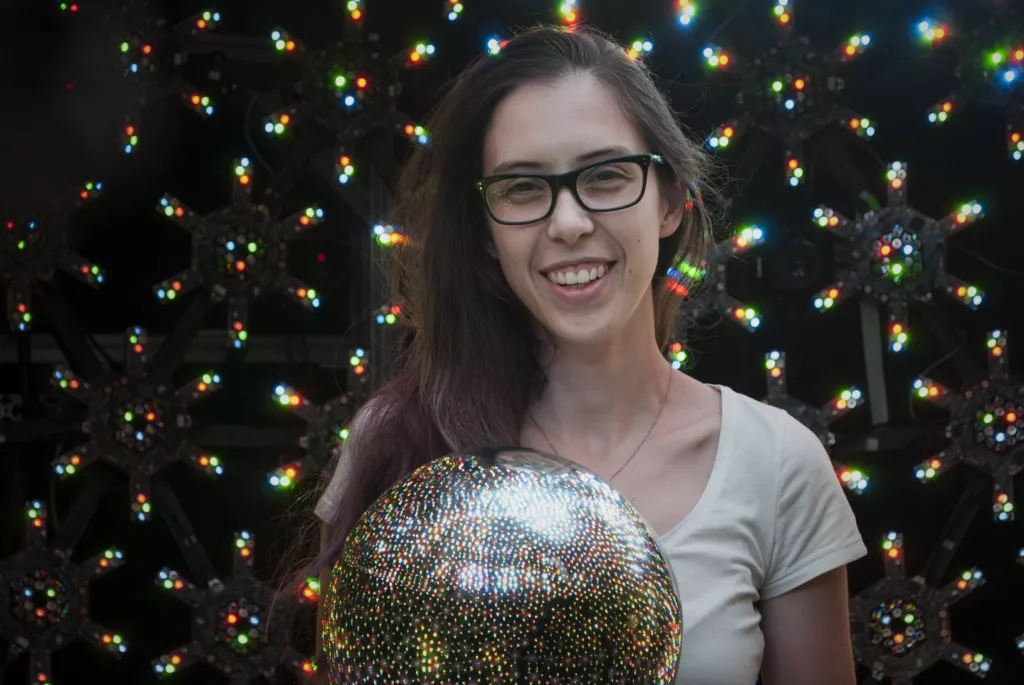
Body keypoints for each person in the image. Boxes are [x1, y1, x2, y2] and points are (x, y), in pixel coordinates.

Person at [303, 24, 867, 685]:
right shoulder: (394, 439)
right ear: (484, 231)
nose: (568, 224)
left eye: (605, 177)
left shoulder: (774, 461)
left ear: (671, 202)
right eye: (522, 187)